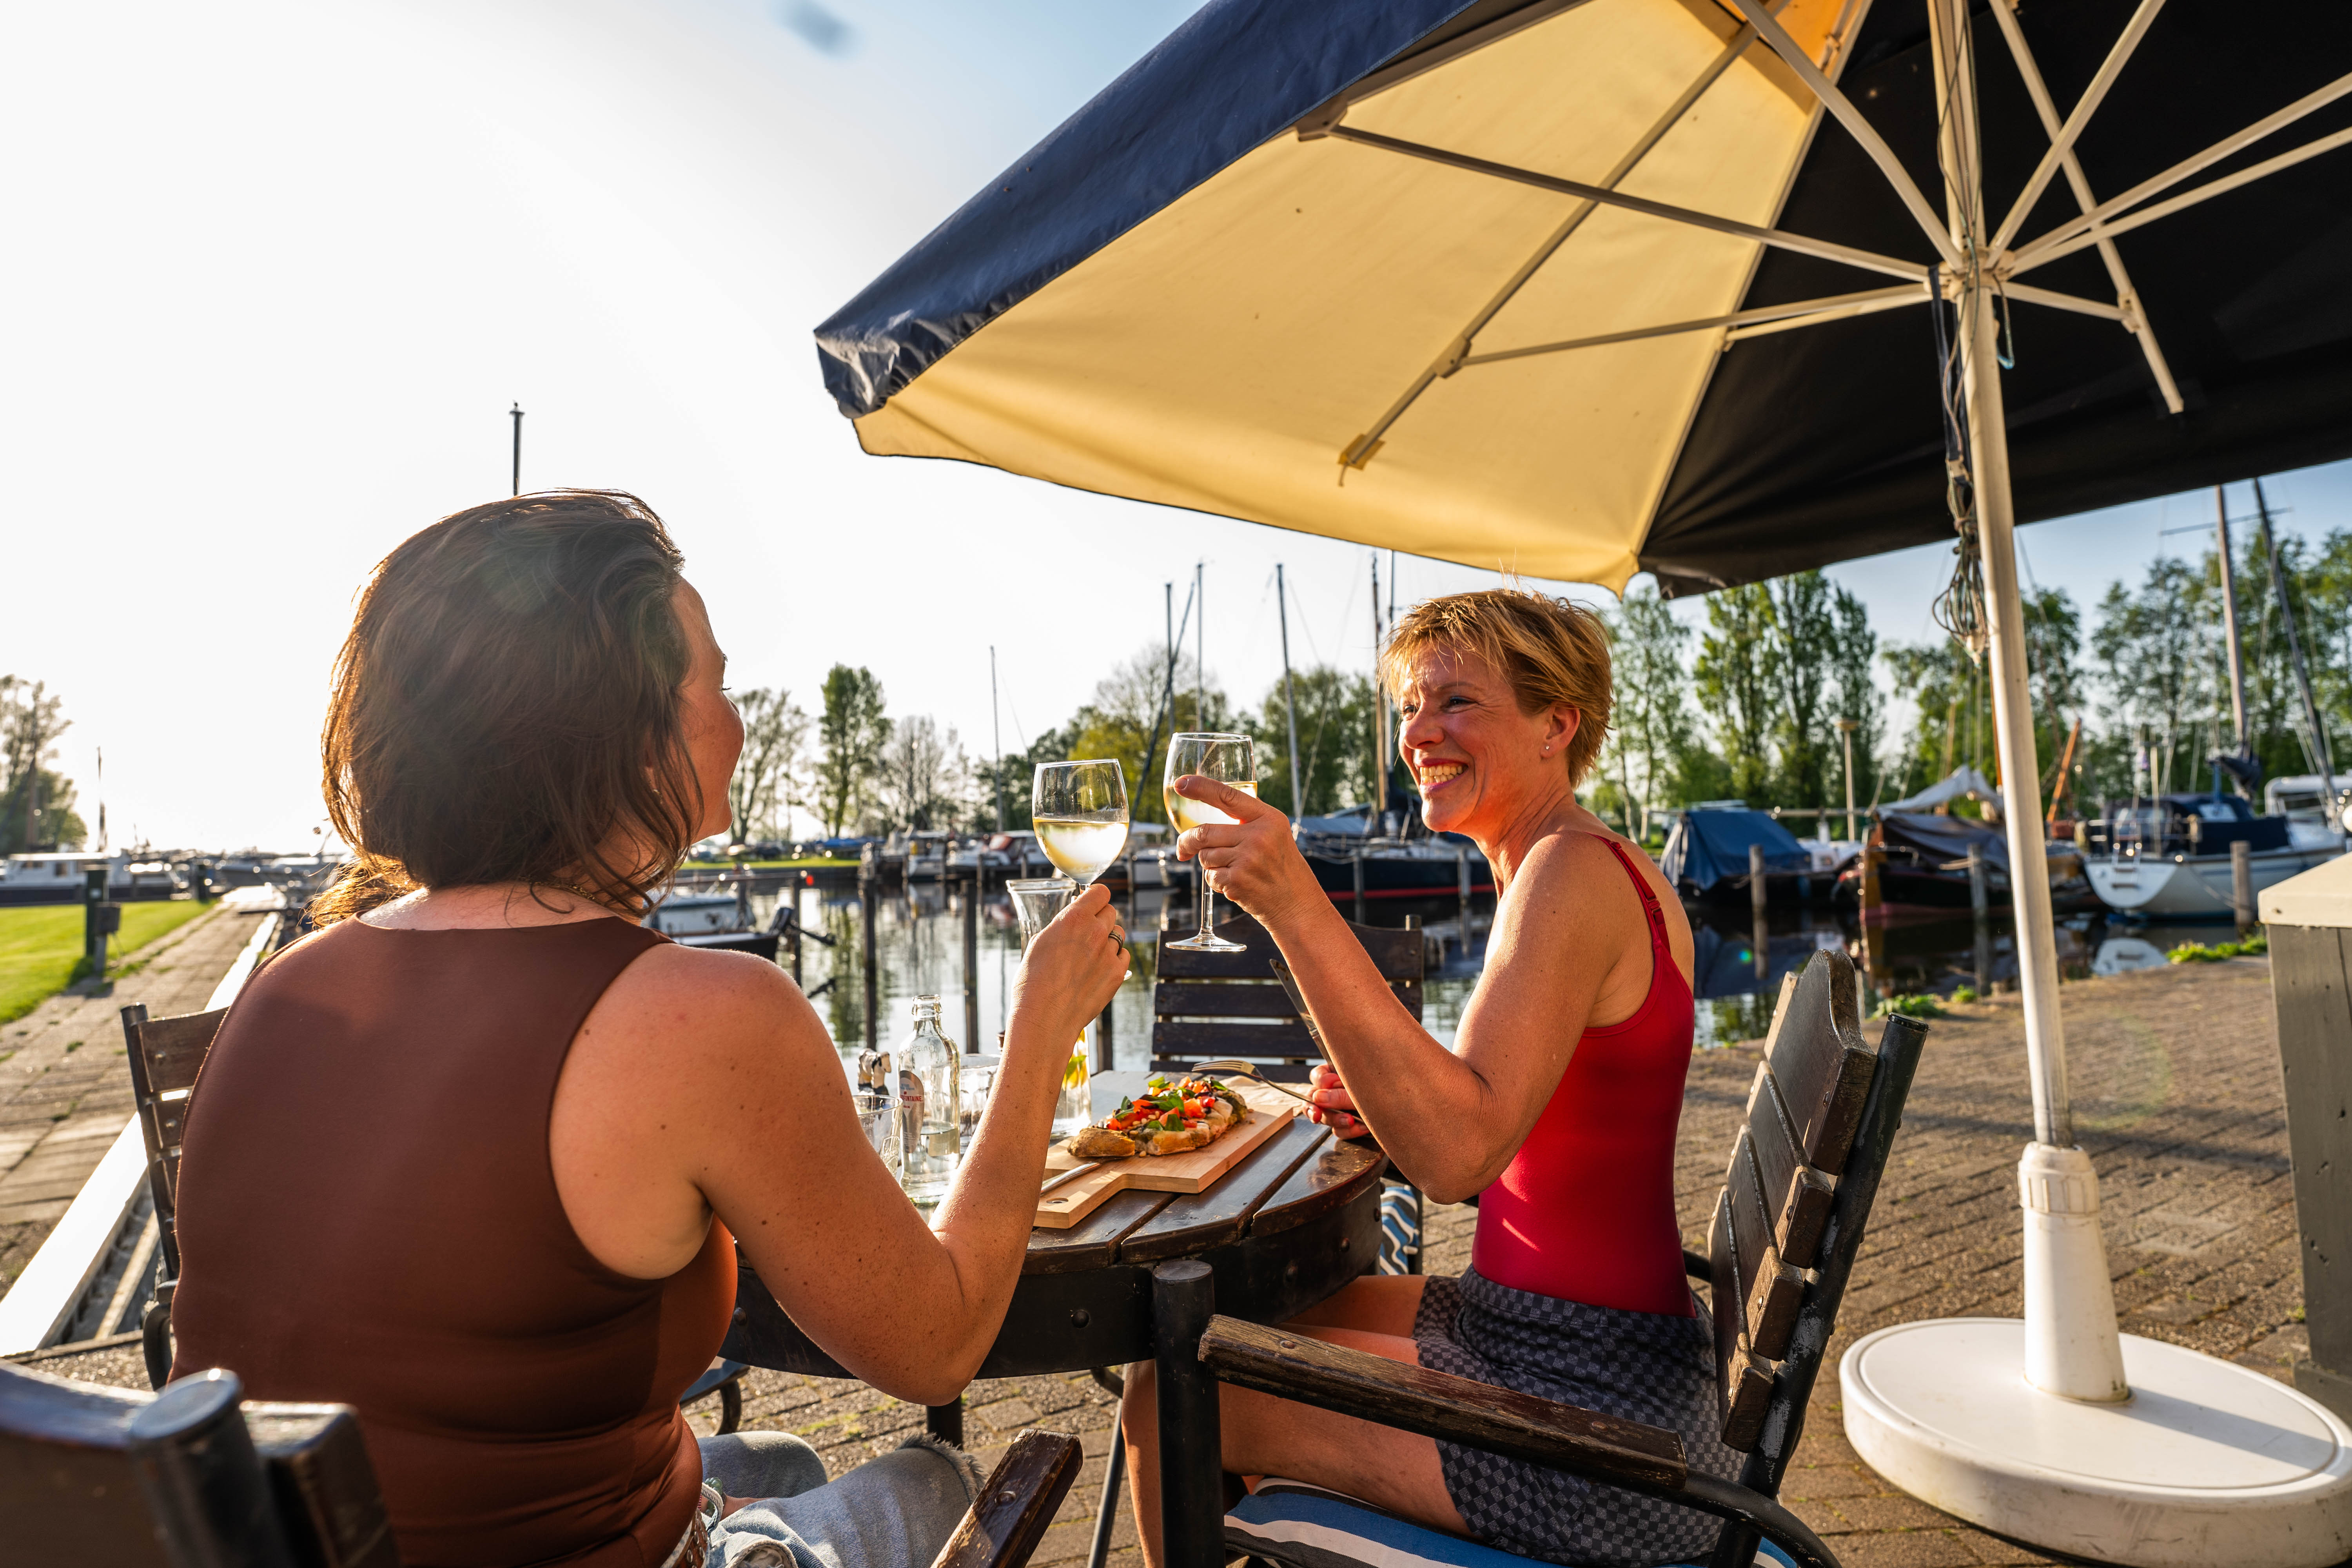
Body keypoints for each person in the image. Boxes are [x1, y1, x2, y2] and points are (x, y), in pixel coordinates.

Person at [169, 491, 1128, 1568]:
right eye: (713, 681)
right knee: (935, 1478)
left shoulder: (285, 988)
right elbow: (938, 1344)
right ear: (628, 734)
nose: (739, 717)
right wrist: (1043, 1028)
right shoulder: (703, 1017)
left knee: (778, 1464)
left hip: (309, 1541)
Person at [1123, 588, 1731, 1568]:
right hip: (1559, 1338)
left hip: (1593, 1417)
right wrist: (1393, 1099)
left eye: (1456, 703)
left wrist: (1293, 901)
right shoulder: (1570, 860)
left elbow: (1455, 1158)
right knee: (1230, 1317)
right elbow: (1524, 1123)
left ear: (1556, 724)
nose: (1419, 733)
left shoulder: (1568, 873)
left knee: (1169, 1390)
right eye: (1410, 706)